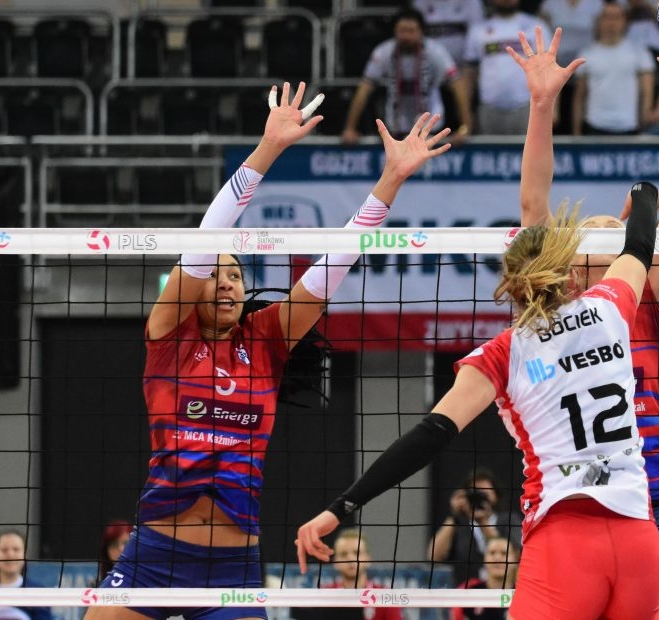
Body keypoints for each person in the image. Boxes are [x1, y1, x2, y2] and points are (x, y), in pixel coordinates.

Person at [86, 84, 451, 620]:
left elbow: (333, 267)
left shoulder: (265, 341)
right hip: (154, 559)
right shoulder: (169, 337)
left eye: (236, 275)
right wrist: (269, 148)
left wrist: (391, 179)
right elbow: (208, 237)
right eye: (216, 275)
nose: (227, 283)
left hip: (232, 569)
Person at [296, 183, 659, 619]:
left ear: (510, 287)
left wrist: (341, 507)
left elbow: (428, 436)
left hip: (565, 540)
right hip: (640, 541)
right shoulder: (610, 306)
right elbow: (640, 242)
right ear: (571, 276)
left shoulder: (503, 353)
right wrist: (643, 194)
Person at [511, 26, 659, 620]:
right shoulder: (547, 310)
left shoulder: (651, 303)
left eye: (616, 228)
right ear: (571, 259)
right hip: (577, 502)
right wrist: (541, 104)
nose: (607, 229)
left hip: (655, 494)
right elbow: (533, 206)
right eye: (594, 230)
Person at [342, 8, 472, 145]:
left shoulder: (436, 51)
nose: (406, 36)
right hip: (395, 131)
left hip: (430, 131)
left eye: (411, 31)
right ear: (394, 31)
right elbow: (364, 89)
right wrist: (350, 128)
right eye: (402, 31)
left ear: (421, 32)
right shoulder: (384, 52)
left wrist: (465, 127)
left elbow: (458, 86)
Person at [464, 0, 548, 135]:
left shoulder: (536, 26)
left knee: (528, 149)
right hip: (488, 107)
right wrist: (467, 112)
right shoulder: (478, 29)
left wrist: (552, 108)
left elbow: (548, 69)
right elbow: (470, 73)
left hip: (527, 106)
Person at [572, 2, 655, 135]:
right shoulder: (586, 54)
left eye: (616, 17)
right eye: (607, 17)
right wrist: (576, 133)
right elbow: (579, 97)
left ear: (625, 21)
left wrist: (644, 127)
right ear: (599, 21)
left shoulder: (639, 52)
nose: (611, 22)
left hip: (629, 127)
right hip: (595, 126)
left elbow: (647, 93)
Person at [428, 468, 520, 585]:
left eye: (484, 492)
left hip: (502, 588)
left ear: (495, 495)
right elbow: (434, 556)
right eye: (475, 492)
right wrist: (454, 515)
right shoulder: (459, 523)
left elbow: (514, 553)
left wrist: (483, 522)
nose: (479, 497)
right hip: (466, 590)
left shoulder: (509, 519)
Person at [319, 529, 402, 620]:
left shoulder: (385, 596)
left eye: (357, 553)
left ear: (368, 559)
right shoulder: (324, 595)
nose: (350, 558)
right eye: (343, 554)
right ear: (335, 562)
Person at [451, 537, 520, 620]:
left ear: (515, 559)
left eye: (504, 553)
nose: (497, 558)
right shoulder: (468, 591)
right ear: (484, 558)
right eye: (492, 553)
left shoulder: (524, 593)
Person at [414, 0, 486, 63]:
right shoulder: (421, 2)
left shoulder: (471, 2)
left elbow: (478, 35)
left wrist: (470, 65)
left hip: (463, 65)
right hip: (431, 64)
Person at [96, 520, 132, 584]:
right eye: (114, 545)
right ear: (106, 551)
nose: (121, 549)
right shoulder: (97, 585)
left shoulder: (148, 581)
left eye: (126, 543)